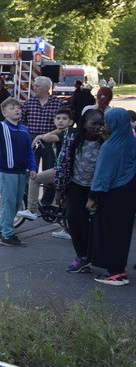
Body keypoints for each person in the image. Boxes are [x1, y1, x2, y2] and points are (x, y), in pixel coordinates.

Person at [87, 107, 136, 286]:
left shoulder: (110, 147)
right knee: (122, 233)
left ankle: (115, 273)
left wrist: (92, 197)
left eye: (107, 122)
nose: (104, 125)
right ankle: (119, 269)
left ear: (115, 124)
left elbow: (103, 175)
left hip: (112, 194)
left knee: (109, 233)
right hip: (129, 192)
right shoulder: (131, 141)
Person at [52, 107, 104, 273]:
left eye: (101, 123)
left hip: (97, 188)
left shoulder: (105, 140)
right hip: (75, 185)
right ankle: (81, 256)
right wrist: (59, 189)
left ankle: (96, 256)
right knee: (73, 219)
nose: (98, 127)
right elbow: (62, 162)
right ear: (84, 124)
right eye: (94, 123)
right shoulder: (73, 136)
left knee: (95, 224)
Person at [0, 97, 37, 247]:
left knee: (16, 203)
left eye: (18, 107)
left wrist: (33, 167)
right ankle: (8, 234)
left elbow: (29, 151)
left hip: (21, 172)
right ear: (5, 112)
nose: (17, 110)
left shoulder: (25, 129)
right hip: (7, 172)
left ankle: (0, 229)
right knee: (9, 202)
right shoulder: (0, 127)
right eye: (12, 108)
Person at [19, 75, 66, 215]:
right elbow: (22, 121)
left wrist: (50, 136)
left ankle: (47, 202)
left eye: (37, 85)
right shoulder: (29, 102)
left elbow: (64, 124)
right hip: (32, 139)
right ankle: (28, 201)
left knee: (49, 170)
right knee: (30, 170)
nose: (34, 87)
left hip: (49, 139)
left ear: (46, 88)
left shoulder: (58, 104)